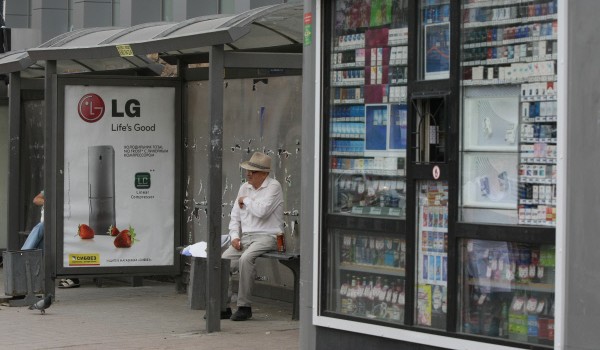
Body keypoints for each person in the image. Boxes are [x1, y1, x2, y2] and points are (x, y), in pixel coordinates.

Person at [222, 152, 284, 321]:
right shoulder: (244, 187)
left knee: (246, 259)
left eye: (253, 171)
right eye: (247, 170)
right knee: (222, 261)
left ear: (264, 174)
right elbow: (235, 215)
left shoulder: (274, 187)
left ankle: (244, 306)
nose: (248, 174)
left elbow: (262, 212)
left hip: (268, 236)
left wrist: (246, 201)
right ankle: (222, 306)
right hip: (246, 237)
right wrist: (234, 236)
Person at [21, 190, 80, 288]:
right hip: (47, 231)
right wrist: (49, 203)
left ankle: (22, 255)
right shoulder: (51, 187)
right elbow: (36, 199)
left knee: (41, 228)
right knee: (40, 240)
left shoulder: (69, 188)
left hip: (61, 227)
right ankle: (31, 279)